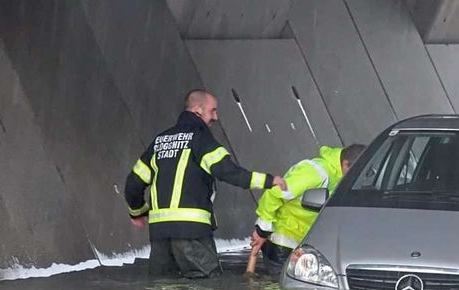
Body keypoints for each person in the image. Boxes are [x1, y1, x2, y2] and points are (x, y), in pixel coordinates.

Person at [125, 89, 286, 278]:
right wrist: (269, 181)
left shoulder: (160, 142)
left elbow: (133, 183)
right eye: (213, 111)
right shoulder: (201, 138)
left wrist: (137, 211)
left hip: (160, 235)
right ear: (198, 110)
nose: (216, 117)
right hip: (193, 234)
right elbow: (229, 172)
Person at [250, 144, 367, 274]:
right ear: (346, 164)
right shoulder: (316, 173)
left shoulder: (337, 176)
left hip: (302, 243)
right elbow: (274, 193)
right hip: (283, 243)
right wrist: (262, 231)